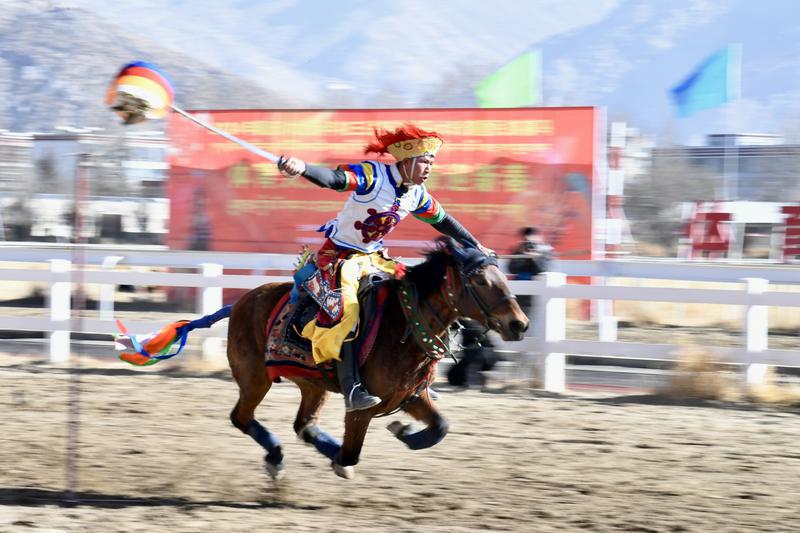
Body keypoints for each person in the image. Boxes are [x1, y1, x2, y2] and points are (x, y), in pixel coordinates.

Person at [278, 124, 493, 412]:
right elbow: (335, 179)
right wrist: (302, 168)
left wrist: (475, 244)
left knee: (418, 297)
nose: (429, 168)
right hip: (339, 256)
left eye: (431, 163)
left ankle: (419, 378)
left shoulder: (416, 194)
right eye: (425, 162)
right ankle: (351, 386)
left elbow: (442, 220)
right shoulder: (373, 175)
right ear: (407, 161)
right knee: (348, 310)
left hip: (375, 257)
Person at [507, 227, 553, 316]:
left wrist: (534, 258)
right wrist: (522, 255)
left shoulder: (545, 250)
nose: (529, 244)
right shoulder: (519, 249)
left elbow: (543, 269)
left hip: (537, 291)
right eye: (526, 239)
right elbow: (512, 269)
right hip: (519, 290)